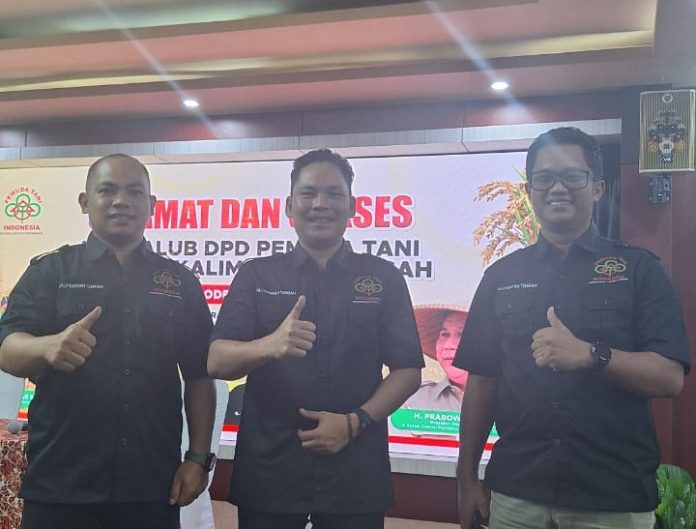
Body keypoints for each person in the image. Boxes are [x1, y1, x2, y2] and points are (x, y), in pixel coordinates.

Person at [454, 127, 690, 529]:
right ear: (530, 190)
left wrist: (592, 355)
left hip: (611, 495)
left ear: (597, 188)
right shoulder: (500, 276)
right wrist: (466, 479)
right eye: (544, 178)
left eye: (572, 177)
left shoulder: (639, 269)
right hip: (517, 491)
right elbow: (482, 382)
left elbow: (669, 377)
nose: (557, 188)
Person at [207, 148, 423, 529]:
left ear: (352, 206)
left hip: (354, 475)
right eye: (308, 193)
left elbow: (408, 371)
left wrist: (354, 423)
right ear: (289, 207)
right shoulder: (256, 276)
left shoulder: (383, 278)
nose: (320, 204)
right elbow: (217, 361)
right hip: (270, 475)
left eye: (333, 194)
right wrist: (269, 345)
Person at [0, 154, 216, 529]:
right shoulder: (51, 271)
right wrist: (47, 347)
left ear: (152, 204)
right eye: (107, 190)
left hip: (150, 483)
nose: (121, 201)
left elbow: (199, 374)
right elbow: (7, 348)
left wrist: (198, 459)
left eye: (135, 192)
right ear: (85, 202)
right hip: (62, 481)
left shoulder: (180, 282)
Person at [403, 306, 468, 412]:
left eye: (462, 335)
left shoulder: (499, 401)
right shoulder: (413, 401)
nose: (448, 345)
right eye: (444, 334)